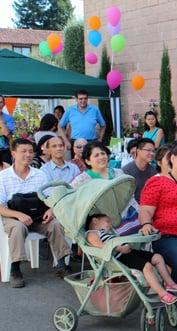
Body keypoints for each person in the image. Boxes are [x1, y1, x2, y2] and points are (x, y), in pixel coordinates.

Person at [0, 138, 72, 288]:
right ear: (13, 154)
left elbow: (51, 197)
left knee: (56, 224)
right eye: (23, 151)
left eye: (30, 151)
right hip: (14, 216)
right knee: (18, 227)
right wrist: (18, 215)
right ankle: (15, 269)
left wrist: (51, 210)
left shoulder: (40, 174)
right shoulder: (3, 177)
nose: (28, 155)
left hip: (38, 216)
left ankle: (61, 264)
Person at [86, 214, 177, 305]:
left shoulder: (106, 233)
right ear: (95, 221)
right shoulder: (92, 233)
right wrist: (118, 248)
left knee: (157, 257)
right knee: (147, 266)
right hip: (120, 257)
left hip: (129, 252)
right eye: (107, 221)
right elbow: (100, 246)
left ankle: (170, 284)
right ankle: (163, 294)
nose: (110, 225)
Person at [139, 142, 177, 287]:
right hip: (170, 236)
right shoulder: (158, 182)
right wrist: (146, 223)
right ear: (173, 158)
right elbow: (145, 210)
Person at [71, 141, 140, 235]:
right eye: (96, 155)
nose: (101, 157)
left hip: (126, 216)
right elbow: (69, 196)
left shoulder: (118, 173)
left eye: (103, 153)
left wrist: (140, 213)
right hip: (101, 224)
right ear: (88, 161)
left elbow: (129, 197)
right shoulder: (83, 179)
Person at [122, 138, 157, 202]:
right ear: (138, 151)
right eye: (148, 150)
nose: (152, 153)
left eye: (153, 151)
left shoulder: (154, 172)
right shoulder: (126, 171)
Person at [0, 95, 15, 164]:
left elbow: (7, 134)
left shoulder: (8, 118)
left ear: (4, 104)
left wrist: (0, 118)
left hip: (4, 152)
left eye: (0, 102)